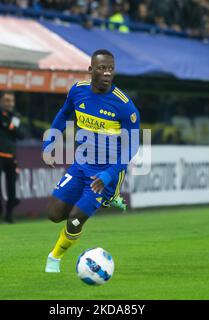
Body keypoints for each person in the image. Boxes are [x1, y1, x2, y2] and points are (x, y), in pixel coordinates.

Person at [42, 49, 140, 273]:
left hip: (106, 172)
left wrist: (108, 174)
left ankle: (54, 258)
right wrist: (49, 144)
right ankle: (97, 201)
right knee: (54, 214)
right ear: (90, 70)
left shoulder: (124, 106)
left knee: (75, 219)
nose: (107, 73)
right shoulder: (78, 91)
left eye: (111, 69)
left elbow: (132, 147)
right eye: (102, 68)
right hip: (80, 165)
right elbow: (63, 114)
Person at [0, 76, 27, 223]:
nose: (10, 103)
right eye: (7, 100)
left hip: (11, 156)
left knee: (12, 187)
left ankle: (9, 215)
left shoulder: (16, 116)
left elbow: (21, 135)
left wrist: (9, 127)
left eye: (12, 101)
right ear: (1, 101)